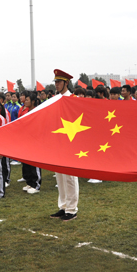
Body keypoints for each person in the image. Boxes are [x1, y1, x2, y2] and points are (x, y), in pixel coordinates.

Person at [50, 69, 80, 222]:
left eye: (59, 82)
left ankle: (72, 209)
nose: (56, 84)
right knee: (60, 177)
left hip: (70, 141)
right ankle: (63, 206)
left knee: (70, 177)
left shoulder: (74, 99)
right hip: (58, 141)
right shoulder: (55, 99)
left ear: (66, 83)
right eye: (55, 82)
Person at [19, 92, 44, 193]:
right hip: (26, 140)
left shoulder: (37, 112)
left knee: (34, 163)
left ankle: (36, 185)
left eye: (27, 100)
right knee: (27, 163)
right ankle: (29, 183)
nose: (25, 101)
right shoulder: (25, 111)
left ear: (33, 101)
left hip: (35, 141)